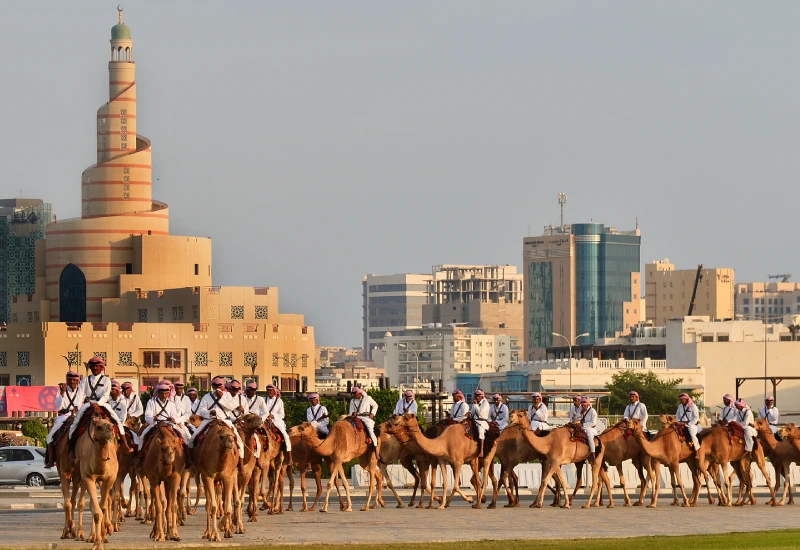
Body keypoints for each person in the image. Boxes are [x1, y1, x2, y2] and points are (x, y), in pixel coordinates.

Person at [69, 356, 127, 450]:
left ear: (101, 368)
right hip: (88, 404)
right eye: (93, 366)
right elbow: (80, 394)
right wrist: (76, 405)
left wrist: (99, 403)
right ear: (90, 367)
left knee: (117, 421)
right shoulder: (85, 380)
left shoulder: (106, 380)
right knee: (75, 423)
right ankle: (71, 448)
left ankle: (125, 445)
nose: (95, 368)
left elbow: (106, 395)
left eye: (97, 366)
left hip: (103, 404)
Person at [190, 376, 244, 458]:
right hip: (209, 420)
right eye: (216, 385)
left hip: (225, 420)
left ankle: (240, 463)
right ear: (212, 386)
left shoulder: (227, 395)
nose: (218, 387)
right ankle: (191, 461)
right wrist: (209, 412)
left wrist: (221, 397)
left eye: (220, 385)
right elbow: (200, 410)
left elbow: (231, 407)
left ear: (223, 386)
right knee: (193, 438)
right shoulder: (206, 396)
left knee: (239, 441)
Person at [44, 371, 84, 468]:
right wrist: (62, 393)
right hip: (64, 417)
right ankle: (51, 459)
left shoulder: (81, 391)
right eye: (70, 380)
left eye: (74, 380)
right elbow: (58, 406)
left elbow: (80, 404)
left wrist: (76, 411)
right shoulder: (61, 390)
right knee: (50, 436)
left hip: (77, 416)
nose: (72, 382)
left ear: (78, 381)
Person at [139, 381, 190, 449]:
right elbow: (147, 416)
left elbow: (174, 415)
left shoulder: (171, 404)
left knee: (184, 435)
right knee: (142, 436)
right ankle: (141, 455)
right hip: (155, 424)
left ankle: (186, 455)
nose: (163, 395)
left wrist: (173, 419)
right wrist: (153, 418)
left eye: (166, 393)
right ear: (158, 393)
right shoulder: (151, 402)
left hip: (169, 424)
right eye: (162, 393)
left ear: (168, 394)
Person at [263, 384, 292, 456]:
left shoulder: (279, 401)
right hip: (264, 419)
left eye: (270, 390)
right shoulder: (263, 400)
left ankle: (289, 454)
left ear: (274, 391)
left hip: (276, 421)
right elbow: (260, 411)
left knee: (285, 434)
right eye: (268, 390)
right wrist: (266, 416)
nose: (269, 392)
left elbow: (282, 415)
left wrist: (273, 416)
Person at [470, 390, 491, 457]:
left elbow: (480, 414)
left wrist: (475, 405)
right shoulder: (475, 403)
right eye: (476, 396)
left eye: (478, 396)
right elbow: (473, 413)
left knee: (480, 431)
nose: (476, 397)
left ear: (482, 396)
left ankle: (481, 451)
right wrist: (469, 413)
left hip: (482, 422)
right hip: (474, 421)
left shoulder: (485, 403)